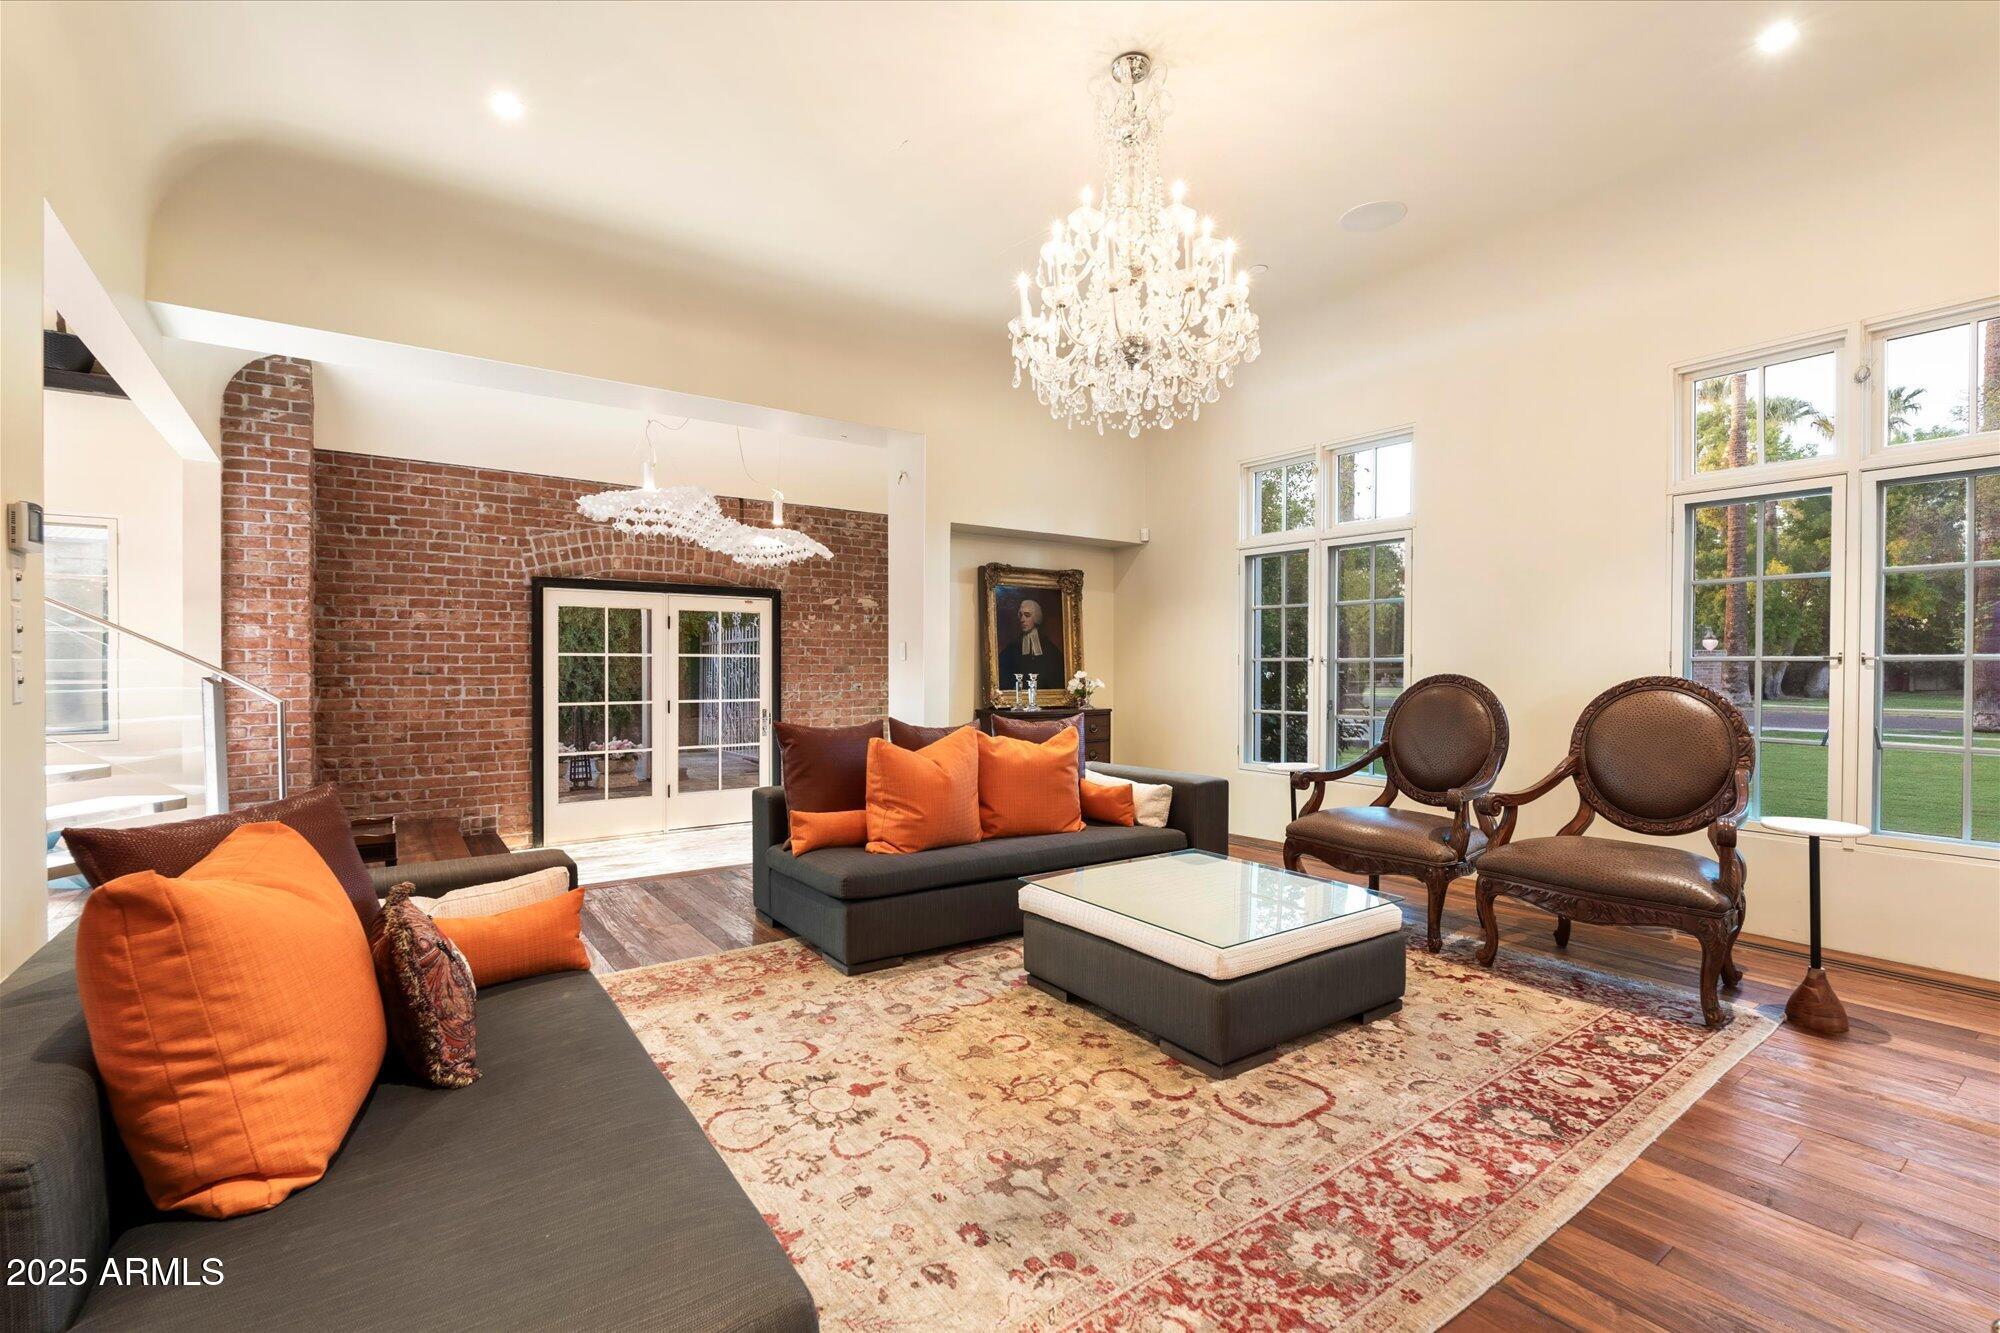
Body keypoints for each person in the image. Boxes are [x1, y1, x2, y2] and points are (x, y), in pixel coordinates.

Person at [997, 596, 1061, 690]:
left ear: (1036, 617)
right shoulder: (1012, 647)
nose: (1022, 620)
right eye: (1020, 615)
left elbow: (1056, 676)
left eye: (1027, 615)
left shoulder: (1049, 647)